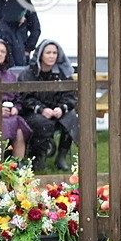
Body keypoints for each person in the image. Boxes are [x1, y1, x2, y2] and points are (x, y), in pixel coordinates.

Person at [18, 40, 79, 172]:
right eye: (48, 53)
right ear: (40, 55)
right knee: (42, 123)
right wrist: (41, 109)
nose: (52, 56)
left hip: (57, 111)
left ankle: (61, 157)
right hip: (33, 113)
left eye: (54, 53)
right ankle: (38, 158)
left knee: (72, 118)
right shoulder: (28, 74)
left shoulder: (63, 73)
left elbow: (71, 96)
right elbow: (24, 97)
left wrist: (61, 108)